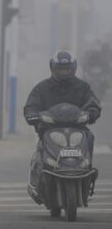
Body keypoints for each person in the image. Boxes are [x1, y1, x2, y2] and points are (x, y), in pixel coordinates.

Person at [24, 51, 101, 194]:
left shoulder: (82, 87)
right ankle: (40, 176)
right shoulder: (42, 88)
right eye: (60, 68)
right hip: (49, 129)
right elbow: (31, 105)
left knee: (89, 136)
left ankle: (86, 169)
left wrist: (93, 111)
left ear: (73, 68)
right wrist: (32, 114)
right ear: (53, 68)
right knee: (41, 145)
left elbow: (93, 102)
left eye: (67, 68)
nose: (64, 72)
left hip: (77, 129)